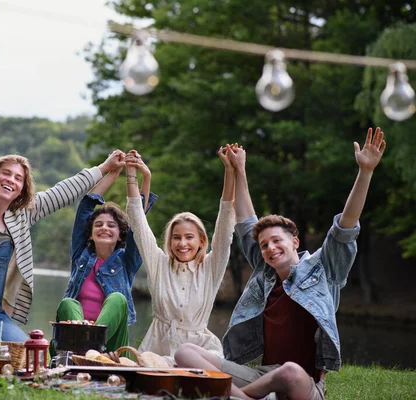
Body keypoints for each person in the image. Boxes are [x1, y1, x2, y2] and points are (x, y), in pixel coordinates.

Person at [174, 128, 386, 400]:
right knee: (185, 352)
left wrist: (365, 172)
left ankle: (235, 396)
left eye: (276, 241)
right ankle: (245, 397)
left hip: (302, 383)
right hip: (262, 377)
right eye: (264, 245)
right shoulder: (265, 273)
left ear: (295, 242)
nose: (270, 248)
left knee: (290, 372)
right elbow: (245, 221)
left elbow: (345, 227)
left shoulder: (324, 269)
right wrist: (240, 170)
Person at [0, 87, 125, 342]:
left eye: (18, 178)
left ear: (21, 189)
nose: (11, 180)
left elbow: (64, 192)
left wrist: (104, 167)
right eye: (6, 173)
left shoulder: (21, 216)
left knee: (31, 351)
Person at [124, 147, 236, 366]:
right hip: (158, 349)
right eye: (176, 237)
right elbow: (137, 219)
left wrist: (230, 171)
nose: (182, 244)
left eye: (189, 237)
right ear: (170, 241)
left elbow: (225, 223)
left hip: (200, 351)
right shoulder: (159, 263)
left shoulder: (211, 267)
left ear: (201, 241)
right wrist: (130, 173)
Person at [56, 150, 157, 353]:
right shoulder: (80, 256)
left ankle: (91, 348)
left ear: (121, 235)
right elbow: (85, 206)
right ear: (90, 234)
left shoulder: (127, 260)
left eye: (111, 225)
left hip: (110, 348)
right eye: (99, 225)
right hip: (73, 342)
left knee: (117, 299)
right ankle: (85, 348)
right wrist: (112, 172)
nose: (104, 228)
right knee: (68, 303)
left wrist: (145, 177)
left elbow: (138, 219)